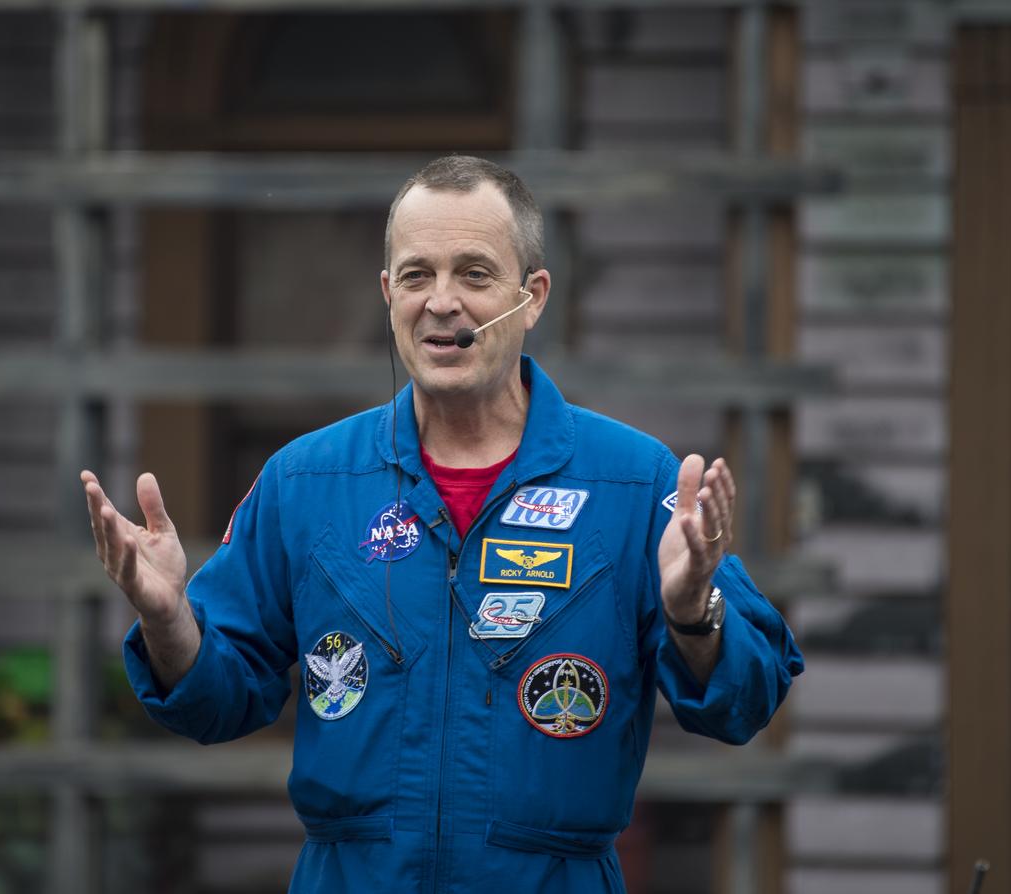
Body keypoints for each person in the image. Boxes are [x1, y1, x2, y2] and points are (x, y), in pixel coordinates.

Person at [81, 155, 802, 893]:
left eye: (476, 274)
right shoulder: (308, 480)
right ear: (389, 294)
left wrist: (694, 614)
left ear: (533, 297)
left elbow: (746, 702)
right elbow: (215, 704)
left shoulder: (634, 482)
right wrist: (170, 621)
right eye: (418, 275)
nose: (443, 302)